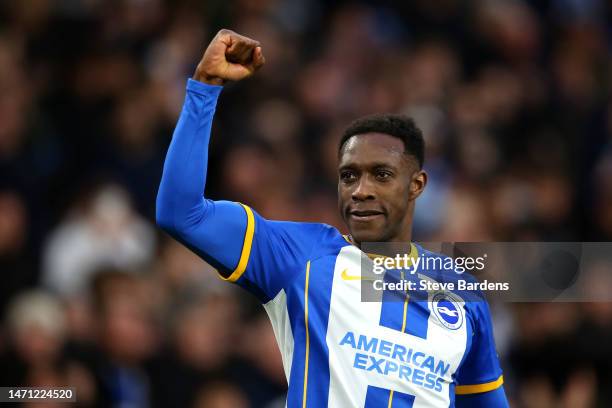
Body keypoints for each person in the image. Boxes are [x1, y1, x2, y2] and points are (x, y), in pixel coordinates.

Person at [156, 29, 509, 407]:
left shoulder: (461, 295)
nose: (361, 190)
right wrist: (204, 89)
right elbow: (182, 213)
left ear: (417, 185)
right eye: (349, 176)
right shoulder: (301, 257)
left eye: (382, 175)